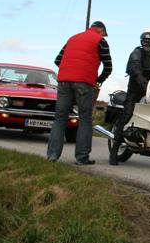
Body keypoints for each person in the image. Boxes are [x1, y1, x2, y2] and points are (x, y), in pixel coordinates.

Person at [47, 20, 112, 165]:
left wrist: (69, 70)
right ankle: (82, 158)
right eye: (104, 34)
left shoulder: (72, 38)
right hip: (84, 83)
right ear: (101, 31)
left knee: (60, 118)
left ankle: (52, 156)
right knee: (85, 119)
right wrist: (98, 80)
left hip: (63, 81)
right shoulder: (100, 41)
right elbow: (108, 67)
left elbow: (58, 60)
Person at [110, 29, 150, 165]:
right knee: (127, 114)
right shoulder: (137, 52)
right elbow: (134, 66)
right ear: (141, 41)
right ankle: (114, 151)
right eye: (145, 41)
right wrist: (140, 78)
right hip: (136, 90)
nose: (147, 43)